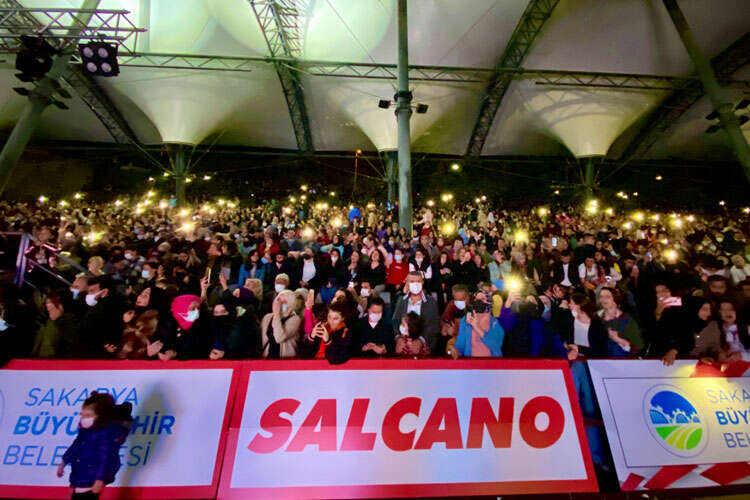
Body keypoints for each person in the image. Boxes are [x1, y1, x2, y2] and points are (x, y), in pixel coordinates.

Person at [57, 392, 131, 499]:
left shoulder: (106, 434)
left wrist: (100, 479)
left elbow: (105, 458)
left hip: (92, 476)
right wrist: (64, 462)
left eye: (88, 416)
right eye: (82, 415)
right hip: (80, 474)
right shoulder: (85, 430)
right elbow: (75, 446)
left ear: (100, 416)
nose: (84, 419)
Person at [661, 296, 720, 365]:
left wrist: (709, 357)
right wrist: (673, 351)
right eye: (704, 310)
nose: (709, 313)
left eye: (710, 309)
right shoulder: (676, 325)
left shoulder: (712, 325)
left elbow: (714, 348)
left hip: (703, 367)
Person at [391, 272, 440, 352]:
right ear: (407, 283)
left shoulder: (431, 301)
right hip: (404, 342)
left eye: (418, 281)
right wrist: (398, 338)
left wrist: (421, 340)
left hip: (424, 345)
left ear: (422, 282)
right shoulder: (401, 300)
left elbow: (434, 325)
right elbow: (395, 321)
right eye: (412, 281)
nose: (415, 284)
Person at [450, 293, 504, 358]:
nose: (479, 301)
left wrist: (476, 326)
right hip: (471, 362)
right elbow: (460, 346)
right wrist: (455, 351)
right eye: (477, 299)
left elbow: (496, 344)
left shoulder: (495, 322)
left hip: (492, 362)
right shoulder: (466, 320)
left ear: (489, 303)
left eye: (482, 299)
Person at [597, 287, 643, 356]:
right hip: (600, 359)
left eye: (607, 297)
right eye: (601, 297)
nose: (603, 300)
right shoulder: (597, 319)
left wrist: (618, 339)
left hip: (623, 359)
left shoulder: (626, 319)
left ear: (615, 298)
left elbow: (638, 347)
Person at [260, 289, 301, 358]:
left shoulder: (295, 319)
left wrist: (276, 314)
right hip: (268, 356)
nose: (279, 304)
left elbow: (279, 338)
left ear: (291, 304)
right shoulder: (267, 317)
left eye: (284, 302)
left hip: (285, 358)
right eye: (278, 300)